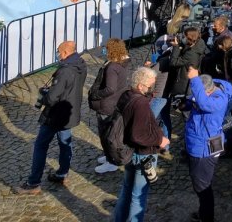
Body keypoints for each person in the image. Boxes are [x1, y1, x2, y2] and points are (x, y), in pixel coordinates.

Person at [15, 40, 86, 194]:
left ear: (66, 52)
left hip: (56, 115)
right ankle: (62, 173)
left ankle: (33, 182)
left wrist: (45, 95)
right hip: (69, 113)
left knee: (40, 146)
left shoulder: (65, 70)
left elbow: (52, 98)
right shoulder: (81, 64)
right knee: (65, 143)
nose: (58, 54)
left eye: (59, 51)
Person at [112, 67, 169, 222]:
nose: (152, 89)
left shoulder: (126, 95)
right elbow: (139, 135)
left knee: (126, 189)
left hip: (128, 150)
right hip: (142, 154)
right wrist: (160, 140)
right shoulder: (141, 104)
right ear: (140, 85)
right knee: (138, 196)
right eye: (150, 86)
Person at [184, 66, 232, 222]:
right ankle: (204, 212)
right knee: (204, 181)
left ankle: (207, 217)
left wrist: (193, 79)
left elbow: (204, 104)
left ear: (208, 91)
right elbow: (198, 101)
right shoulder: (211, 93)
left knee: (202, 186)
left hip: (203, 149)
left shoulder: (218, 101)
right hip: (206, 144)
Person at [89, 38, 132, 174]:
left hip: (107, 105)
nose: (104, 50)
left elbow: (110, 88)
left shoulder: (112, 67)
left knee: (107, 134)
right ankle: (109, 156)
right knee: (109, 133)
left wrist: (95, 94)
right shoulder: (122, 63)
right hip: (115, 103)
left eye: (107, 48)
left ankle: (111, 161)